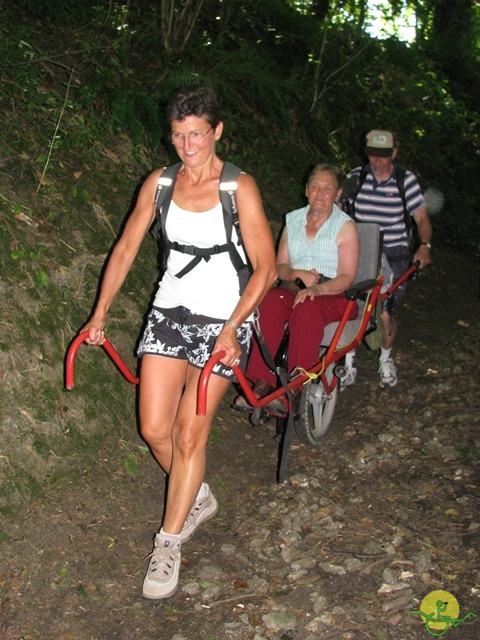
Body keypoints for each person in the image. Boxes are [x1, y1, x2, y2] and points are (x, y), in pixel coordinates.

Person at [81, 85, 276, 600]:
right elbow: (124, 249)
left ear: (217, 131)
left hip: (225, 322)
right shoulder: (160, 183)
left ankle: (168, 543)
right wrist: (98, 313)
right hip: (169, 313)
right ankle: (197, 493)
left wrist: (235, 325)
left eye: (197, 134)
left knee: (190, 436)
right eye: (178, 135)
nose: (188, 145)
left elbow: (266, 267)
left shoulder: (239, 188)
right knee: (153, 427)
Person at [236, 164, 359, 417]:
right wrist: (294, 274)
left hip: (333, 294)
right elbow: (280, 265)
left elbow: (347, 277)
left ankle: (293, 387)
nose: (320, 193)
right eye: (315, 186)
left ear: (337, 194)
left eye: (327, 188)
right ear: (306, 190)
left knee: (306, 308)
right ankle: (262, 382)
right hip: (294, 289)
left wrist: (319, 288)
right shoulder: (292, 220)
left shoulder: (345, 226)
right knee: (269, 301)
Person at [344, 130, 432, 388]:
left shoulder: (406, 181)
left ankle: (385, 359)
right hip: (360, 248)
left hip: (394, 252)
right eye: (373, 155)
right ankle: (347, 363)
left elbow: (422, 217)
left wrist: (425, 245)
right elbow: (335, 206)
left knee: (383, 310)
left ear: (394, 153)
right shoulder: (355, 177)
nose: (378, 161)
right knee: (351, 305)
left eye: (383, 156)